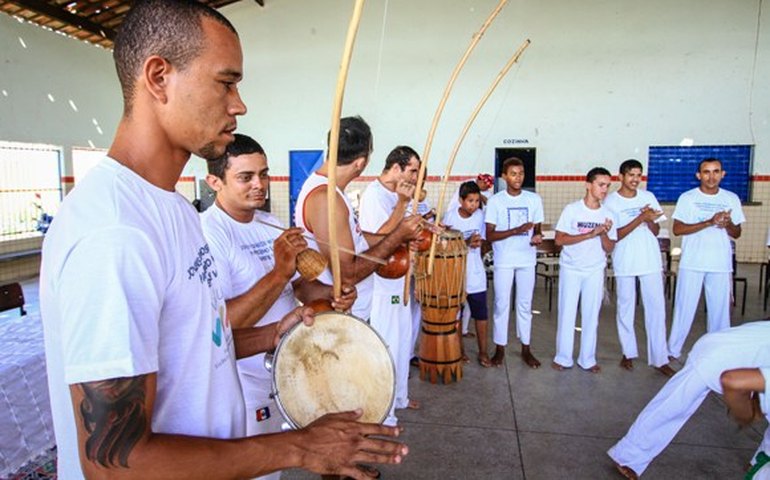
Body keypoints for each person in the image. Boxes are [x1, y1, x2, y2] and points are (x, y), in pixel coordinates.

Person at [39, 2, 406, 479]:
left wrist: (277, 334)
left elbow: (199, 344)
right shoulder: (115, 230)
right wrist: (299, 448)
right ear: (158, 77)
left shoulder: (172, 209)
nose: (239, 104)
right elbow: (115, 465)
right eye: (225, 82)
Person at [200, 133, 359, 479]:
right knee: (256, 471)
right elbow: (221, 324)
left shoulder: (270, 224)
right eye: (246, 177)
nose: (260, 185)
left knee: (285, 464)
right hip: (244, 380)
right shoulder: (209, 234)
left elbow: (300, 283)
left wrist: (332, 294)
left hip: (290, 367)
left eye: (264, 174)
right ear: (214, 181)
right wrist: (279, 271)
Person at [294, 116, 422, 322]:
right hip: (335, 316)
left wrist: (402, 237)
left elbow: (357, 240)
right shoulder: (326, 198)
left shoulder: (332, 191)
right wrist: (397, 235)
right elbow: (347, 274)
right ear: (361, 162)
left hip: (350, 312)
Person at [607, 321, 770, 479]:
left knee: (672, 404)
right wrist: (743, 412)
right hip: (719, 356)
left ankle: (759, 462)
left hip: (721, 345)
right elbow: (732, 381)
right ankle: (628, 457)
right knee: (670, 408)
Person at [359, 145, 422, 425]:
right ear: (395, 168)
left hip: (400, 278)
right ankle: (383, 409)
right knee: (386, 342)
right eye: (412, 170)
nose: (415, 177)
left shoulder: (397, 195)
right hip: (382, 283)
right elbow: (379, 238)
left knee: (402, 339)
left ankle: (399, 397)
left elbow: (400, 233)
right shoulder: (374, 194)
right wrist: (400, 205)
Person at [667, 158, 746, 360]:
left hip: (720, 263)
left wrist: (727, 223)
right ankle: (673, 350)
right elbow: (677, 229)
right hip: (693, 262)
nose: (711, 176)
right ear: (698, 175)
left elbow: (737, 233)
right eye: (706, 172)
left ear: (723, 174)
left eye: (716, 171)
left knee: (720, 313)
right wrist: (709, 221)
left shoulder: (731, 198)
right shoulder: (688, 198)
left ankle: (717, 352)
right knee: (684, 308)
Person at [603, 159, 674, 376]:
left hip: (650, 260)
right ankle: (628, 352)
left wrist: (650, 219)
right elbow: (616, 235)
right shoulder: (610, 202)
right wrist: (640, 217)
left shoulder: (648, 197)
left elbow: (654, 229)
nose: (635, 179)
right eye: (631, 175)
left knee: (656, 308)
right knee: (626, 307)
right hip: (625, 260)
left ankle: (660, 358)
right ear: (621, 177)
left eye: (638, 175)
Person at [552, 167, 617, 373]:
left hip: (595, 270)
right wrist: (590, 234)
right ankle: (563, 357)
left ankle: (587, 358)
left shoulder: (608, 214)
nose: (604, 190)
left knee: (591, 315)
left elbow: (610, 247)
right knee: (567, 313)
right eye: (601, 185)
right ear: (588, 185)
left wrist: (603, 234)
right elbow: (559, 239)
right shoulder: (572, 210)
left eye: (607, 185)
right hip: (571, 268)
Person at [485, 157, 545, 368]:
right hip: (504, 260)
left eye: (520, 173)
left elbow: (537, 228)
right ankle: (499, 348)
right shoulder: (496, 201)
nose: (517, 177)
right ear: (504, 176)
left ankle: (526, 348)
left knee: (525, 304)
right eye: (513, 173)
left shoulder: (533, 199)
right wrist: (515, 230)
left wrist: (537, 235)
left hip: (527, 259)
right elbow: (490, 235)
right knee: (501, 304)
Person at [443, 181, 491, 367]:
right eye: (470, 200)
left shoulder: (480, 216)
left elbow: (485, 241)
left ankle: (483, 352)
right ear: (461, 200)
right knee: (456, 315)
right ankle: (460, 351)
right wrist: (466, 242)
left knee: (481, 315)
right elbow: (444, 246)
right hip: (455, 274)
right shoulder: (450, 217)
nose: (474, 204)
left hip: (476, 273)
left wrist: (482, 245)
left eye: (477, 200)